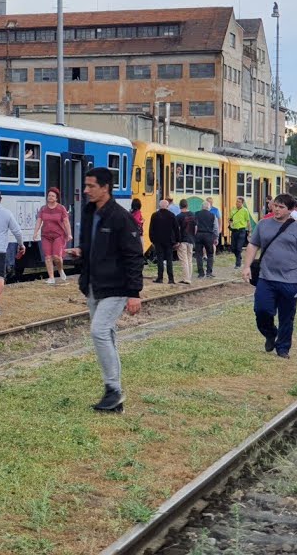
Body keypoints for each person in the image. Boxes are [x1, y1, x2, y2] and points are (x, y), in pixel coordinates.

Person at [65, 167, 143, 414]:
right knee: (106, 335)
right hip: (93, 285)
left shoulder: (121, 217)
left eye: (90, 186)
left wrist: (134, 293)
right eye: (86, 186)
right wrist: (80, 252)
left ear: (105, 187)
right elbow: (93, 246)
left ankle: (113, 390)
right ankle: (114, 396)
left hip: (116, 287)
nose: (86, 190)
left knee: (99, 331)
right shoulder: (89, 213)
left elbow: (134, 256)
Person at [242, 193, 297, 359]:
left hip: (289, 280)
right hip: (266, 278)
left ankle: (283, 348)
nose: (276, 209)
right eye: (275, 205)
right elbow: (253, 245)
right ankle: (270, 333)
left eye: (281, 207)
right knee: (261, 310)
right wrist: (246, 266)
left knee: (287, 316)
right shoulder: (263, 224)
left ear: (290, 210)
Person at [33, 187, 71, 285]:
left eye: (52, 196)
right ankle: (51, 278)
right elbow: (39, 221)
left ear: (56, 198)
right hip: (46, 235)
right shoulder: (43, 209)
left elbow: (66, 222)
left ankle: (60, 269)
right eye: (49, 195)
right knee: (48, 257)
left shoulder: (61, 208)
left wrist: (69, 234)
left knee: (56, 256)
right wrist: (35, 232)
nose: (50, 197)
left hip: (58, 235)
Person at [148, 199, 179, 284]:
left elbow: (151, 229)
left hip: (158, 241)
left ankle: (160, 278)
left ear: (159, 206)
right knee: (169, 259)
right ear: (167, 206)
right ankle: (171, 279)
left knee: (160, 259)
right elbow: (176, 229)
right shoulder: (172, 215)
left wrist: (152, 240)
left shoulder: (154, 215)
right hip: (169, 241)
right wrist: (177, 240)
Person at [228, 196, 256, 269]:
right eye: (237, 201)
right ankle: (239, 257)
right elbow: (230, 219)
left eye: (239, 202)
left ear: (242, 203)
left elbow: (248, 221)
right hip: (234, 230)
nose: (237, 203)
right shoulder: (233, 209)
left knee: (238, 247)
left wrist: (250, 231)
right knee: (233, 248)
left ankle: (238, 263)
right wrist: (230, 224)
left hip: (242, 230)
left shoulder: (245, 210)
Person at [175, 199, 197, 284]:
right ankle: (189, 277)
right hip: (191, 240)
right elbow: (195, 228)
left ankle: (186, 279)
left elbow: (177, 230)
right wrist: (193, 237)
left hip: (183, 240)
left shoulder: (179, 216)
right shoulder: (193, 214)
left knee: (184, 260)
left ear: (180, 206)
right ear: (187, 205)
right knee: (189, 259)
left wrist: (177, 241)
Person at [193, 203, 217, 279]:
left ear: (202, 207)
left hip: (199, 235)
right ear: (209, 208)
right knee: (210, 254)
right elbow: (215, 227)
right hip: (209, 235)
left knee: (199, 255)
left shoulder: (196, 214)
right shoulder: (212, 215)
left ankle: (201, 273)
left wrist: (194, 235)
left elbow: (194, 225)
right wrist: (216, 237)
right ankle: (209, 272)